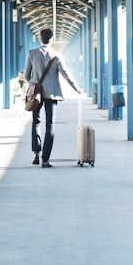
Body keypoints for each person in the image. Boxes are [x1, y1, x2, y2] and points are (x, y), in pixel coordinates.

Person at [24, 28, 83, 168]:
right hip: (52, 94)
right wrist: (76, 88)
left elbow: (26, 75)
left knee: (36, 122)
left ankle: (36, 154)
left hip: (36, 94)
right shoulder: (57, 55)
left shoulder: (32, 53)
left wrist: (34, 84)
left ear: (40, 38)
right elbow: (66, 74)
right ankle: (45, 159)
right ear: (52, 40)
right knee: (50, 124)